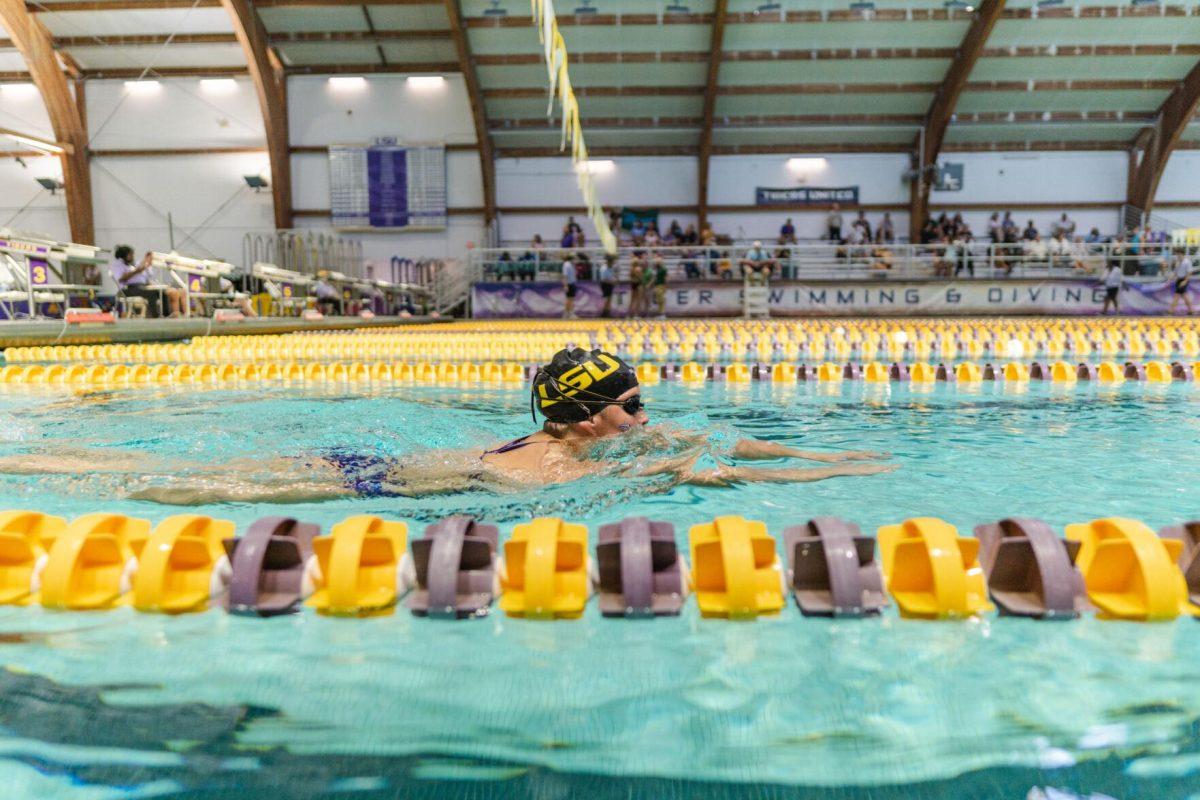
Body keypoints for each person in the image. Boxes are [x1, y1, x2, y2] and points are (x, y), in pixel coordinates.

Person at [109, 246, 183, 318]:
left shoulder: (130, 265)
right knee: (151, 294)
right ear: (125, 255)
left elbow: (140, 272)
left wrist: (144, 264)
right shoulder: (118, 265)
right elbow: (121, 278)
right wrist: (137, 271)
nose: (132, 256)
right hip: (127, 289)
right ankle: (155, 316)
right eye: (131, 254)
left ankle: (166, 315)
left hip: (140, 287)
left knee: (162, 293)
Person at [1169, 249, 1194, 315]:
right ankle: (1191, 310)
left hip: (1184, 280)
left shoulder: (1187, 262)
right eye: (1177, 254)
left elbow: (1189, 272)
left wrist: (1185, 281)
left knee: (1178, 296)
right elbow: (1175, 272)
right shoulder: (1177, 262)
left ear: (1182, 254)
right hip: (1178, 280)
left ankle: (1171, 311)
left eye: (1179, 254)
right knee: (1183, 296)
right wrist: (1170, 278)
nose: (1178, 256)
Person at [628, 252, 646, 318]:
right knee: (638, 300)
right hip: (638, 284)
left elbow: (630, 277)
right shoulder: (638, 269)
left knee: (632, 300)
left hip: (633, 284)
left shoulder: (631, 269)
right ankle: (636, 314)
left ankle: (629, 314)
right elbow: (641, 277)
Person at [561, 254, 577, 319]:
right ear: (571, 258)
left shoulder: (571, 265)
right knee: (568, 300)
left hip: (573, 283)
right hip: (569, 284)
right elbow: (565, 276)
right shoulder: (566, 265)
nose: (576, 260)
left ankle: (571, 313)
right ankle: (566, 314)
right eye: (575, 258)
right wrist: (565, 286)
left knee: (571, 299)